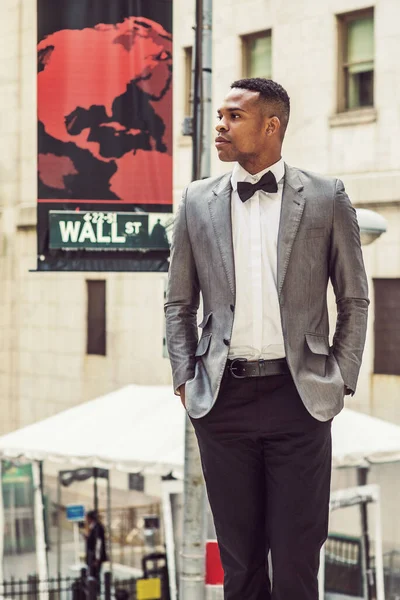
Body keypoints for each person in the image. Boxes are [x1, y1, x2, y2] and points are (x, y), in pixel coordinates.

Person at [164, 78, 369, 600]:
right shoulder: (195, 200)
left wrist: (340, 378)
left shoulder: (326, 197)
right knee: (241, 563)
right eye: (220, 116)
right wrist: (186, 378)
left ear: (271, 125)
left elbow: (354, 298)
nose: (220, 125)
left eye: (234, 117)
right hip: (223, 401)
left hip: (298, 398)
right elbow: (178, 303)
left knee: (298, 561)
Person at [84, 510, 107, 589]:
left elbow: (98, 544)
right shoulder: (92, 527)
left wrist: (97, 558)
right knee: (92, 574)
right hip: (91, 556)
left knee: (95, 575)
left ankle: (96, 591)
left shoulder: (97, 528)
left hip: (95, 557)